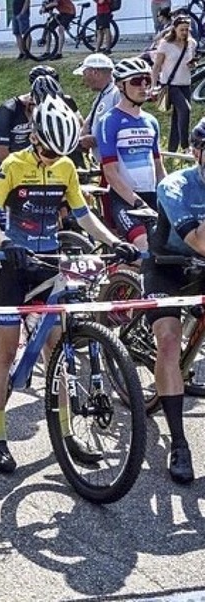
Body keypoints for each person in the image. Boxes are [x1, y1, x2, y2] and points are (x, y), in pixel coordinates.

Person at [0, 95, 140, 474]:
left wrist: (115, 242)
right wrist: (4, 242)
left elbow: (83, 216)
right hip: (16, 267)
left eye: (59, 153)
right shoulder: (14, 165)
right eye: (49, 151)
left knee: (56, 349)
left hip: (50, 263)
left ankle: (67, 432)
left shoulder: (66, 167)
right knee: (4, 351)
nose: (53, 158)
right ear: (35, 139)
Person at [141, 118, 205, 485]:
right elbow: (199, 241)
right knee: (167, 341)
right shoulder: (175, 185)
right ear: (197, 152)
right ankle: (179, 444)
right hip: (168, 266)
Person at [99, 57, 166, 250]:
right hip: (124, 199)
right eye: (136, 81)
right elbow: (110, 173)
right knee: (143, 246)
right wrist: (136, 202)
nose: (144, 86)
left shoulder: (151, 121)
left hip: (151, 195)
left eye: (147, 80)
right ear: (120, 85)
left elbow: (159, 167)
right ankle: (117, 276)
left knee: (169, 248)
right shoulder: (109, 121)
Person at [151, 15, 197, 153]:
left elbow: (190, 64)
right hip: (170, 85)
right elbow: (157, 66)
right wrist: (154, 85)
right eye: (181, 29)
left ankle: (171, 149)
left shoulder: (191, 43)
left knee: (177, 116)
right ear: (174, 29)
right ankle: (185, 146)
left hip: (185, 84)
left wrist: (193, 64)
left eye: (186, 30)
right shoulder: (165, 44)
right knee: (185, 109)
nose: (184, 32)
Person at [74, 53, 119, 162]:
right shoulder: (103, 94)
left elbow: (123, 128)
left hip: (116, 163)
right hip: (105, 162)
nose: (83, 80)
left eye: (84, 74)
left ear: (95, 72)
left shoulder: (117, 94)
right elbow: (88, 122)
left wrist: (96, 140)